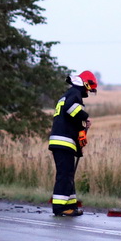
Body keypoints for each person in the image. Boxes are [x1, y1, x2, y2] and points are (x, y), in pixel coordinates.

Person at [48, 70, 96, 217]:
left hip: (62, 141)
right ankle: (59, 207)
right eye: (89, 88)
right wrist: (85, 117)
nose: (88, 92)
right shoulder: (74, 94)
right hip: (64, 141)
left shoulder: (68, 94)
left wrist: (81, 129)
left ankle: (70, 205)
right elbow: (71, 109)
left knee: (68, 174)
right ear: (85, 84)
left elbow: (70, 118)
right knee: (64, 175)